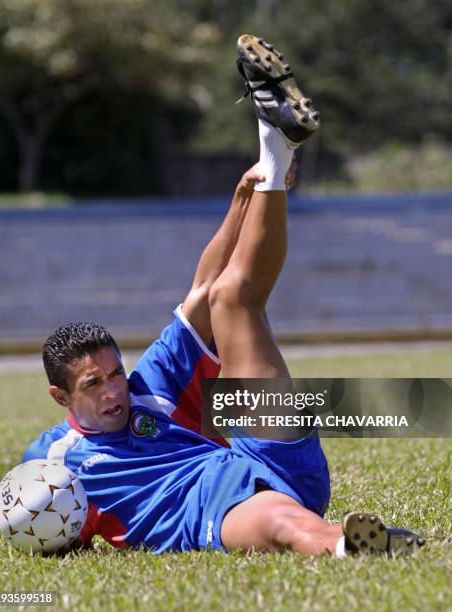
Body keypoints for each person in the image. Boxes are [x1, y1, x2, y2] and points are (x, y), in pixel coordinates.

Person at [24, 35, 424, 557]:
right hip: (215, 509)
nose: (114, 390)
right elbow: (35, 516)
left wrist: (242, 199)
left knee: (232, 296)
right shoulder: (56, 462)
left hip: (269, 454)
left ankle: (274, 153)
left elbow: (203, 291)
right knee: (280, 520)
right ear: (61, 398)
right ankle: (352, 546)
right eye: (94, 383)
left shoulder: (151, 386)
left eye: (115, 372)